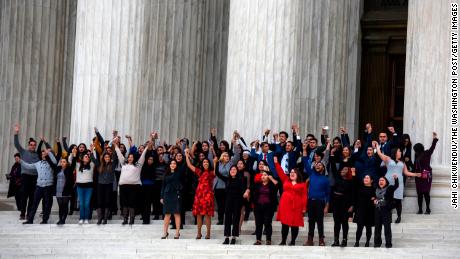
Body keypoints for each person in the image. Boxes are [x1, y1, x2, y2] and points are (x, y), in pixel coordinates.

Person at [374, 141, 421, 223]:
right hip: (388, 181)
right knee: (388, 198)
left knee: (398, 200)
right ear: (395, 152)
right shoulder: (388, 159)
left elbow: (406, 172)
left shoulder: (402, 162)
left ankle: (399, 216)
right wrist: (377, 146)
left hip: (399, 182)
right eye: (399, 151)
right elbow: (379, 153)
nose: (401, 152)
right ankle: (387, 216)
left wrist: (415, 174)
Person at [115, 138, 149, 225]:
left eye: (132, 157)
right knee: (124, 203)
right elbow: (118, 153)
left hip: (134, 187)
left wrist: (148, 145)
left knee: (132, 203)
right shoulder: (124, 163)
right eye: (129, 157)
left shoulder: (138, 165)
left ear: (134, 158)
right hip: (123, 186)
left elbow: (143, 155)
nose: (130, 158)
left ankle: (131, 220)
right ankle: (125, 219)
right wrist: (115, 144)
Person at [274, 157, 307, 246]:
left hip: (297, 206)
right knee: (284, 223)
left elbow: (304, 196)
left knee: (295, 224)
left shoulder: (302, 184)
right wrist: (276, 163)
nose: (292, 173)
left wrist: (304, 207)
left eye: (294, 172)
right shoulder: (286, 180)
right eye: (291, 172)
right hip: (285, 205)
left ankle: (292, 241)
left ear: (297, 174)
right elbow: (280, 172)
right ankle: (283, 241)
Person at [185, 148, 216, 239]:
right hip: (199, 195)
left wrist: (215, 162)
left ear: (209, 164)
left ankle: (208, 233)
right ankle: (199, 233)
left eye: (207, 162)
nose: (205, 163)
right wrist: (187, 155)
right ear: (202, 164)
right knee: (198, 214)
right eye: (204, 162)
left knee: (207, 215)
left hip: (208, 196)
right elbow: (189, 165)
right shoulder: (199, 171)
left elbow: (215, 171)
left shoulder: (211, 173)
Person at [215, 164, 250, 244]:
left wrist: (246, 192)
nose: (233, 171)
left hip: (237, 202)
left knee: (236, 219)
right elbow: (217, 173)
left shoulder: (240, 180)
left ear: (237, 171)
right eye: (231, 170)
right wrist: (217, 162)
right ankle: (227, 237)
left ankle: (234, 237)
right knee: (227, 219)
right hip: (228, 201)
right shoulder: (227, 179)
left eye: (234, 169)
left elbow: (244, 189)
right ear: (229, 172)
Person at [20, 149, 57, 224]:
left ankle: (45, 220)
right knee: (34, 204)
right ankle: (30, 220)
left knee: (47, 204)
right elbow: (28, 166)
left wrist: (49, 153)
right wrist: (21, 161)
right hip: (39, 186)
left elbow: (55, 161)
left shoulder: (51, 163)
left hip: (48, 186)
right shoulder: (38, 163)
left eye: (45, 154)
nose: (44, 155)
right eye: (42, 154)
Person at [13, 124, 39, 220]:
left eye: (34, 145)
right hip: (25, 176)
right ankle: (22, 213)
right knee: (24, 195)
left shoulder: (37, 154)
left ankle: (29, 214)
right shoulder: (23, 152)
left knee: (32, 196)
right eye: (31, 145)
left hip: (35, 177)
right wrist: (16, 133)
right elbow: (16, 144)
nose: (32, 146)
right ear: (28, 145)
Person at [302, 156, 330, 246]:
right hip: (311, 202)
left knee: (320, 221)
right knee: (311, 221)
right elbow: (306, 163)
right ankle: (310, 240)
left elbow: (328, 194)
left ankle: (321, 239)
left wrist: (327, 206)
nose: (318, 165)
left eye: (320, 165)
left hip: (320, 202)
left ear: (323, 168)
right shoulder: (311, 174)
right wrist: (304, 150)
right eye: (316, 164)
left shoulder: (325, 179)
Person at [70, 146, 97, 224]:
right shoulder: (78, 165)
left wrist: (92, 152)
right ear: (82, 158)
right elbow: (74, 161)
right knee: (81, 203)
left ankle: (86, 218)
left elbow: (95, 160)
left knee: (87, 203)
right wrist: (74, 154)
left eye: (88, 157)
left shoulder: (91, 165)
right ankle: (81, 218)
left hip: (89, 187)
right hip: (80, 187)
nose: (87, 157)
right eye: (85, 156)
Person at [413, 132, 439, 214]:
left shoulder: (427, 153)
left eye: (415, 150)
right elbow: (415, 166)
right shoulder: (416, 156)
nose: (415, 151)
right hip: (418, 177)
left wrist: (434, 139)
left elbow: (432, 148)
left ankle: (428, 209)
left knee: (426, 192)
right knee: (419, 193)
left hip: (426, 176)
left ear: (418, 149)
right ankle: (420, 209)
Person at [160, 160, 184, 239]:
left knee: (177, 213)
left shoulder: (179, 173)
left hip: (176, 194)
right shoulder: (166, 174)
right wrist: (161, 197)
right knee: (167, 214)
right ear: (169, 165)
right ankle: (165, 232)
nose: (173, 165)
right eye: (171, 163)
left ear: (176, 165)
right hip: (167, 195)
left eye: (174, 163)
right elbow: (163, 186)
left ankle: (177, 233)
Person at [374, 175, 399, 248]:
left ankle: (388, 243)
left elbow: (396, 186)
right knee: (377, 227)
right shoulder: (376, 189)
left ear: (386, 182)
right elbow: (373, 198)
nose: (380, 182)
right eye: (379, 180)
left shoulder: (389, 188)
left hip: (386, 209)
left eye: (382, 180)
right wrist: (374, 200)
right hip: (377, 209)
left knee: (387, 227)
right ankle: (377, 243)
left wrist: (396, 179)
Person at [352, 174, 375, 247]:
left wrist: (374, 199)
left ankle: (367, 242)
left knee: (368, 228)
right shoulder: (359, 188)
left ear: (371, 180)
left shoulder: (374, 189)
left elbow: (376, 199)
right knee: (359, 227)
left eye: (368, 178)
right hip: (360, 211)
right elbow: (356, 199)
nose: (365, 179)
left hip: (370, 211)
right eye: (364, 177)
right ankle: (357, 241)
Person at [53, 157, 76, 225]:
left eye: (64, 162)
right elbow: (52, 164)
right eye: (61, 162)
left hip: (66, 190)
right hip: (58, 190)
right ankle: (60, 219)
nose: (62, 163)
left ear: (67, 163)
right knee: (60, 206)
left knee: (65, 206)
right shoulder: (58, 169)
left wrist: (74, 156)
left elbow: (73, 163)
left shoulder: (69, 169)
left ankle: (63, 220)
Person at [95, 152, 116, 225]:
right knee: (100, 202)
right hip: (100, 185)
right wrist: (91, 152)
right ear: (103, 158)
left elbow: (115, 158)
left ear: (110, 158)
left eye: (108, 157)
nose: (107, 158)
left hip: (108, 185)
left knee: (107, 201)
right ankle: (100, 218)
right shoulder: (100, 165)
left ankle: (105, 219)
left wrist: (115, 147)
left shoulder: (112, 165)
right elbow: (94, 160)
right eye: (105, 157)